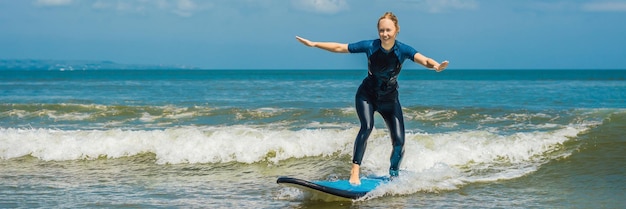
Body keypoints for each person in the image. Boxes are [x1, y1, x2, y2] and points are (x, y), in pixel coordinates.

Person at [295, 12, 448, 185]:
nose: (385, 34)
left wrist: (435, 66)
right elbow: (340, 47)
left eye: (388, 30)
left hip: (390, 100)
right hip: (366, 95)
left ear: (396, 30)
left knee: (399, 143)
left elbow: (424, 59)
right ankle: (355, 171)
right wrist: (314, 44)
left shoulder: (403, 50)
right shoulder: (370, 46)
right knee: (367, 127)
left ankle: (393, 175)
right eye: (381, 30)